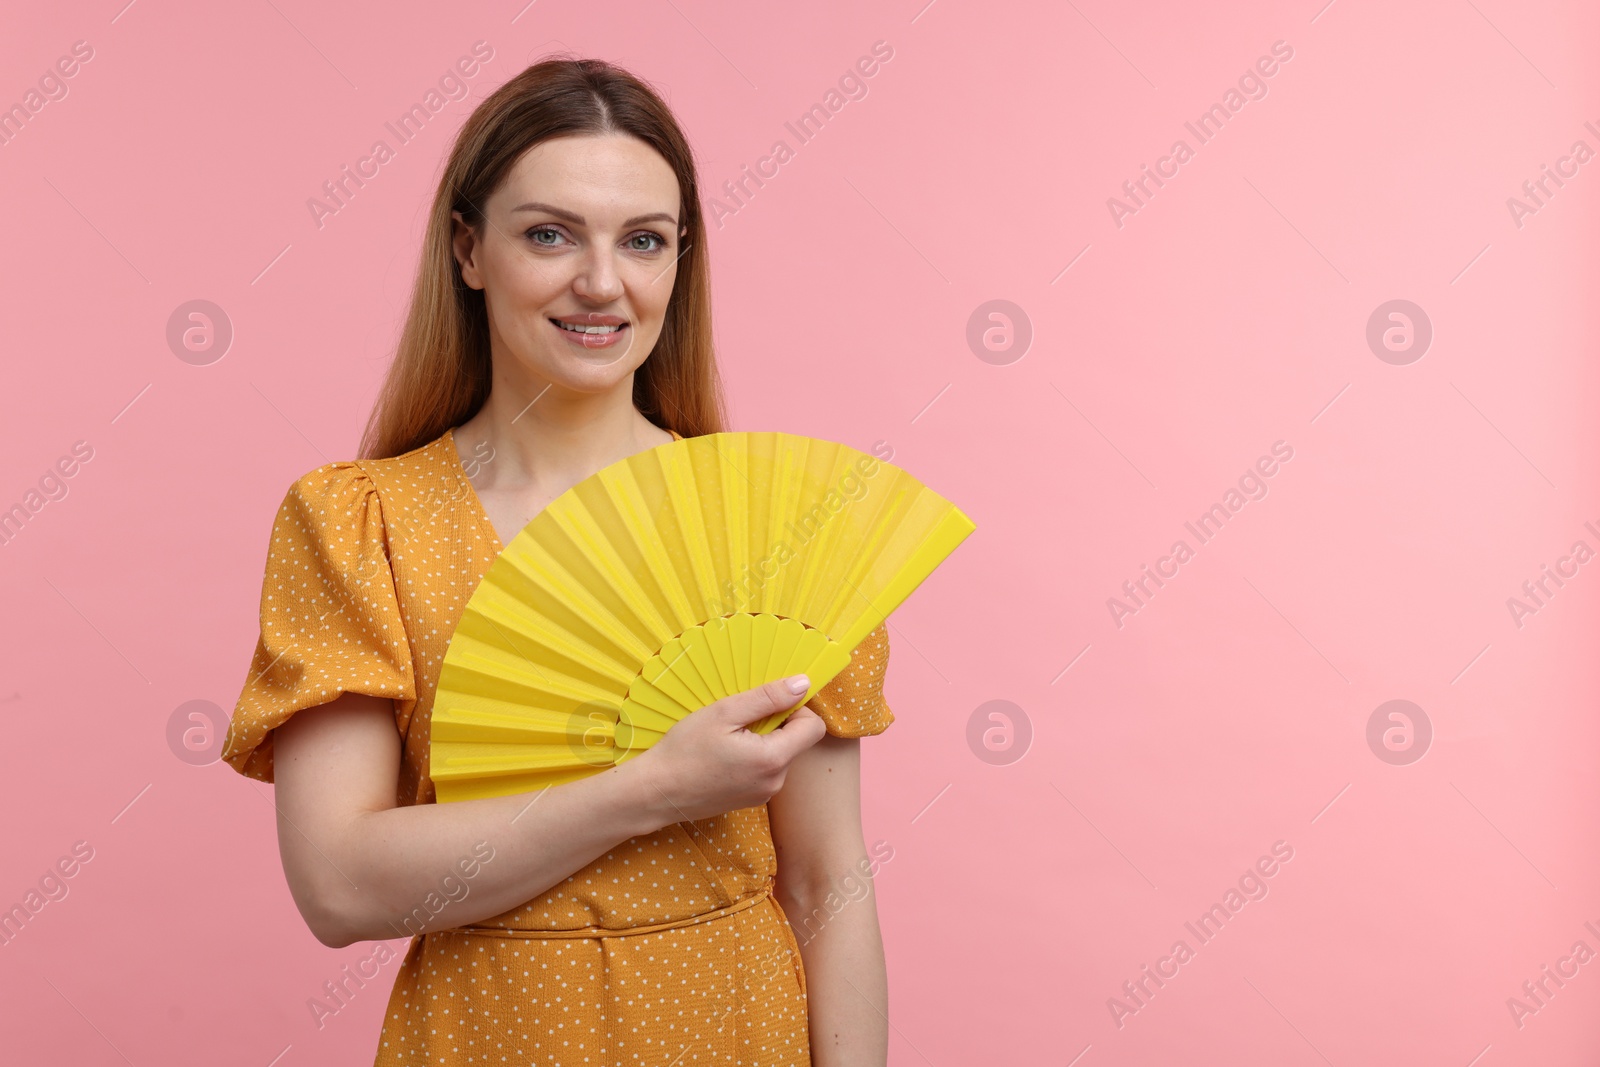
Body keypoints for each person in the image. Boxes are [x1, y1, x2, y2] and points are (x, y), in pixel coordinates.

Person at [221, 56, 895, 1066]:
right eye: (549, 233)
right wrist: (650, 787)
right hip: (486, 1033)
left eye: (643, 241)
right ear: (468, 250)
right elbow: (340, 882)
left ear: (680, 261)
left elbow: (826, 881)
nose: (601, 281)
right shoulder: (361, 522)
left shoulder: (779, 532)